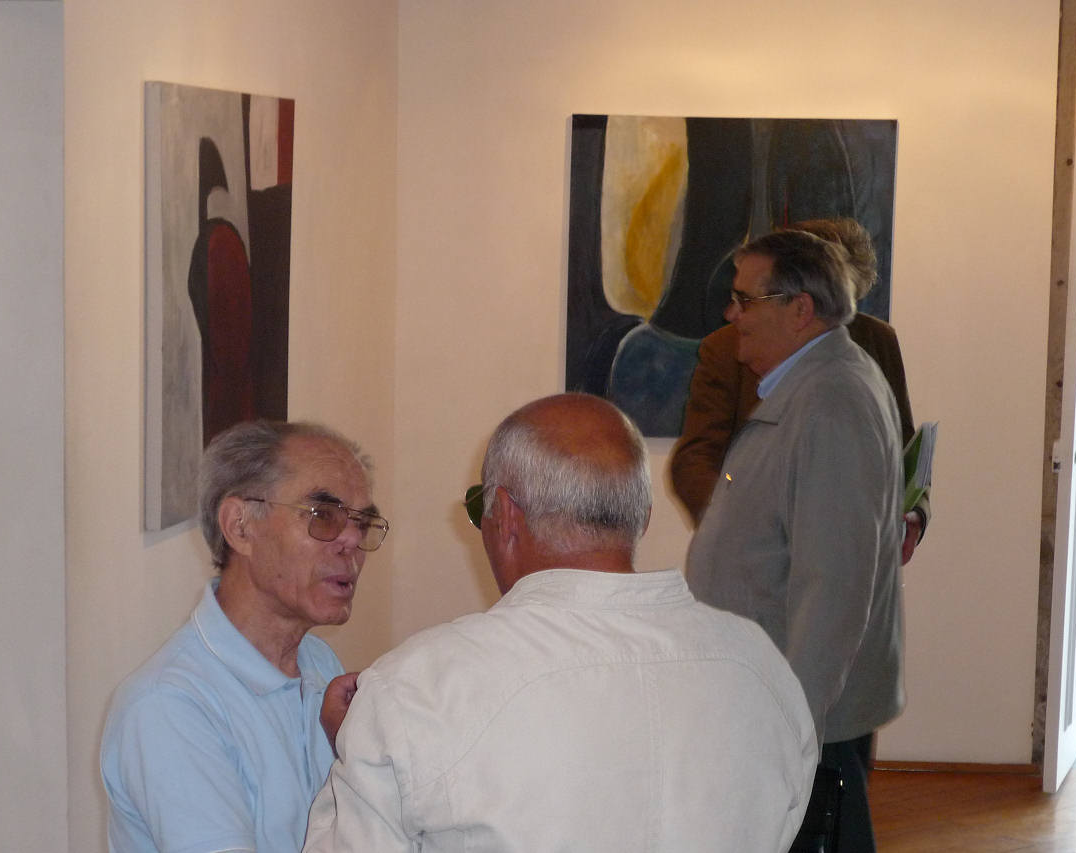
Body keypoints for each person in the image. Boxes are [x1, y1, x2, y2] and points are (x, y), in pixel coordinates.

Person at [303, 393, 817, 853]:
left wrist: (364, 745)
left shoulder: (416, 691)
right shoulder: (762, 669)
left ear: (505, 516)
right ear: (643, 518)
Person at [685, 230, 905, 853]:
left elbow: (833, 585)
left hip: (806, 713)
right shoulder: (809, 384)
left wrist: (794, 721)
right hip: (781, 695)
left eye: (745, 299)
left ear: (800, 309)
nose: (731, 313)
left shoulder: (832, 400)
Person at [100, 420, 388, 853]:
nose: (351, 540)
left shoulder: (318, 662)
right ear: (240, 527)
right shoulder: (169, 706)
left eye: (362, 522)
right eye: (323, 516)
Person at [669, 217, 928, 565]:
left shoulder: (877, 340)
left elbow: (905, 452)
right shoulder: (728, 348)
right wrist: (739, 528)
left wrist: (915, 515)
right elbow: (695, 462)